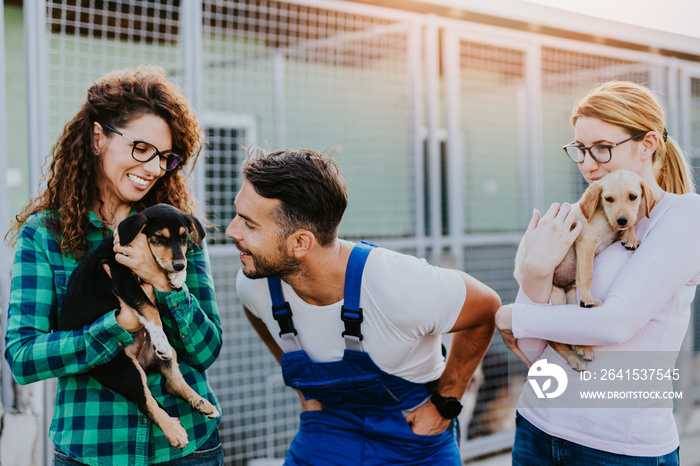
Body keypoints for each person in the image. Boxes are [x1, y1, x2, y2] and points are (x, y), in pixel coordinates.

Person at [4, 66, 223, 466]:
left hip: (191, 447)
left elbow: (207, 351)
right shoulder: (45, 233)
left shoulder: (176, 228)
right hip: (93, 448)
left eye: (165, 156)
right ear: (98, 136)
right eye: (141, 148)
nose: (154, 167)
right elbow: (23, 358)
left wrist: (163, 281)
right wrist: (116, 327)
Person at [227, 148, 502, 465]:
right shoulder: (254, 285)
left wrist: (446, 402)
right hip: (326, 429)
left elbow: (485, 308)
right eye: (237, 214)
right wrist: (306, 395)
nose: (231, 230)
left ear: (300, 243)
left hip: (412, 434)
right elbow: (258, 314)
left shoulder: (398, 285)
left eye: (248, 224)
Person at [496, 81, 699, 465]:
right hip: (536, 427)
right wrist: (538, 270)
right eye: (580, 150)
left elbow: (614, 324)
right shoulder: (580, 216)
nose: (589, 164)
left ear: (648, 143)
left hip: (618, 448)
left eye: (603, 148)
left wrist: (511, 315)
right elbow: (536, 351)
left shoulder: (685, 215)